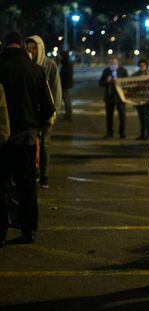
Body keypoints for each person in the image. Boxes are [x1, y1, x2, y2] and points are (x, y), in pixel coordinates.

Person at [0, 31, 55, 246]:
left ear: (5, 45)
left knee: (1, 186)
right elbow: (48, 108)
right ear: (22, 45)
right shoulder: (35, 70)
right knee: (27, 186)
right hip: (27, 138)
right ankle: (29, 229)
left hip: (1, 140)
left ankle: (1, 231)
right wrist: (37, 127)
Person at [26, 35, 62, 189]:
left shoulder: (50, 66)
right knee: (32, 145)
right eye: (28, 49)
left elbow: (56, 90)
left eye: (34, 49)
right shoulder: (26, 65)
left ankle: (44, 176)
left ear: (40, 49)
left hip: (47, 112)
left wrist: (54, 112)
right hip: (32, 113)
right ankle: (33, 173)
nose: (31, 52)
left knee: (44, 144)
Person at [99, 56, 128, 139]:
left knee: (122, 116)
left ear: (117, 63)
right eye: (111, 63)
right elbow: (100, 83)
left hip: (120, 97)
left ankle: (122, 132)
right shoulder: (106, 71)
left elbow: (128, 83)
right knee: (109, 116)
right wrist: (106, 81)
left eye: (114, 63)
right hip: (109, 97)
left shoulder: (123, 71)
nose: (113, 64)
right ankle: (109, 133)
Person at [132, 59, 149, 140]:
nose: (142, 67)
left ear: (146, 66)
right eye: (140, 66)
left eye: (143, 66)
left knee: (146, 116)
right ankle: (142, 134)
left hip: (147, 100)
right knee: (141, 117)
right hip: (138, 100)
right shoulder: (135, 75)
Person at [60, 51, 74, 122]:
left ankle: (69, 116)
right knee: (67, 101)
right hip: (66, 85)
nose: (60, 57)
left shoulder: (66, 65)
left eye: (61, 56)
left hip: (65, 86)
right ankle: (67, 115)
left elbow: (66, 76)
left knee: (67, 101)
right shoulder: (66, 64)